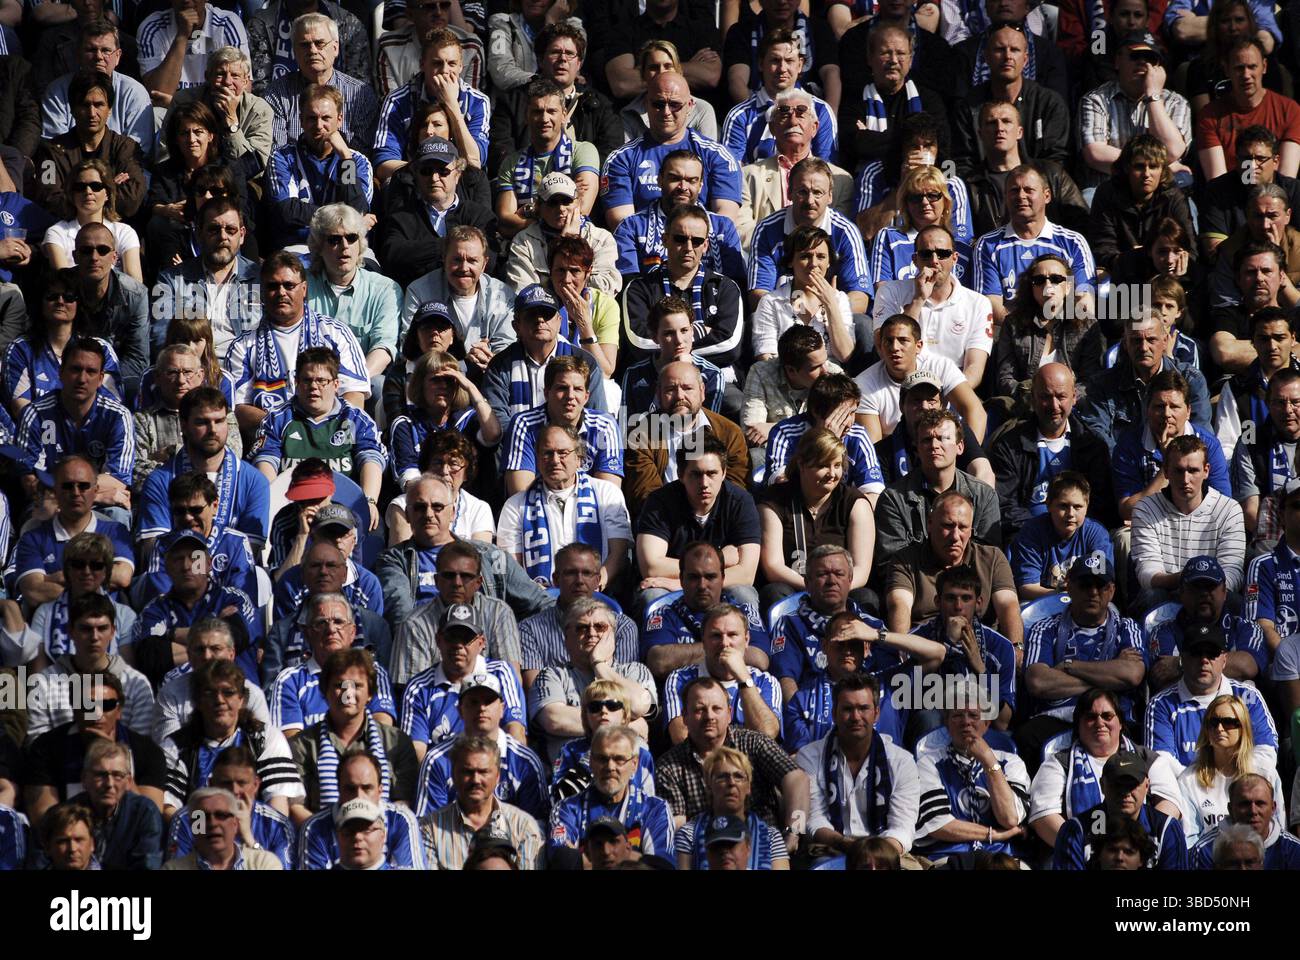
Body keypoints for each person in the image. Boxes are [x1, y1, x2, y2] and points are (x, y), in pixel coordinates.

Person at [380, 479, 546, 665]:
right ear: (408, 514)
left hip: (488, 655)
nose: (428, 514)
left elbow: (540, 604)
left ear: (452, 513)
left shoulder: (491, 557)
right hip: (426, 656)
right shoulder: (393, 561)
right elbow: (401, 617)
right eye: (419, 507)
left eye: (437, 506)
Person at [248, 346, 384, 529]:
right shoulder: (277, 419)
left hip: (346, 510)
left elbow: (371, 460)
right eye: (307, 380)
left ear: (336, 385)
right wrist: (272, 506)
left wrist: (369, 501)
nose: (313, 386)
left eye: (321, 381)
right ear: (296, 382)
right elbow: (266, 463)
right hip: (291, 509)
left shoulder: (356, 419)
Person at [1028, 688, 1183, 844]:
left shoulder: (1149, 760)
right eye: (1090, 717)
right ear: (1079, 724)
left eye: (1107, 716)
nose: (1099, 722)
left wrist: (1139, 847)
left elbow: (1170, 805)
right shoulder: (1059, 764)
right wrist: (1085, 849)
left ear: (1121, 723)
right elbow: (1044, 818)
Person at [621, 204, 744, 392]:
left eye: (696, 241)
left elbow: (729, 346)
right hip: (654, 381)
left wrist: (676, 349)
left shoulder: (726, 287)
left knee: (735, 404)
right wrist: (702, 331)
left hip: (713, 380)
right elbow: (639, 343)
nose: (688, 247)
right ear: (664, 240)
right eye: (680, 239)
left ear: (705, 245)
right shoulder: (639, 288)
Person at [797, 673, 920, 861]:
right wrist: (848, 845)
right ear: (834, 714)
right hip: (830, 848)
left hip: (886, 851)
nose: (855, 717)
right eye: (847, 709)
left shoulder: (902, 761)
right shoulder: (809, 756)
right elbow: (813, 820)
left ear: (876, 713)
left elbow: (902, 828)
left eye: (863, 708)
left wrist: (874, 855)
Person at [289, 648, 420, 822]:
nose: (347, 693)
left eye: (357, 685)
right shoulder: (302, 745)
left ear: (370, 694)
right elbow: (295, 806)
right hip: (323, 842)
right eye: (338, 685)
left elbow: (402, 804)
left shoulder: (397, 742)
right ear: (325, 691)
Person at [138, 387, 270, 558]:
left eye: (219, 421)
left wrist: (207, 571)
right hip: (176, 576)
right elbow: (153, 550)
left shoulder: (254, 481)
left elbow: (249, 551)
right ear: (183, 425)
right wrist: (197, 571)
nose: (213, 430)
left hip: (232, 576)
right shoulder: (160, 480)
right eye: (202, 422)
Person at [600, 71, 741, 230]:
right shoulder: (621, 159)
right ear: (646, 104)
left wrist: (683, 244)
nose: (666, 112)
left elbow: (724, 222)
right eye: (658, 104)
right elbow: (623, 225)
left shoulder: (718, 156)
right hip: (643, 252)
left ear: (690, 106)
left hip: (700, 248)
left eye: (674, 104)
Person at [15, 338, 135, 525]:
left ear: (101, 379)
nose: (82, 379)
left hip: (77, 501)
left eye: (91, 371)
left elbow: (118, 480)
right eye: (75, 369)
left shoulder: (118, 416)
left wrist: (62, 487)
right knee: (40, 514)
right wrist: (97, 496)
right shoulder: (36, 414)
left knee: (118, 515)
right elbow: (31, 482)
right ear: (61, 372)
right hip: (48, 503)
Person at [22, 673, 165, 829]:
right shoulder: (46, 748)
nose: (97, 714)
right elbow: (43, 818)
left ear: (119, 711)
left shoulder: (147, 751)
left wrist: (114, 757)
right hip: (69, 840)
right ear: (74, 709)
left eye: (107, 705)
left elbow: (152, 819)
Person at [162, 659, 303, 818]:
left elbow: (278, 806)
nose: (219, 700)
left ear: (242, 699)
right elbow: (169, 808)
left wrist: (251, 839)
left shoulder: (265, 738)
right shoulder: (177, 745)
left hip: (255, 835)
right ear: (198, 701)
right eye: (209, 692)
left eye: (228, 692)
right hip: (200, 832)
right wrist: (201, 836)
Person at [497, 424, 631, 589]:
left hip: (598, 596)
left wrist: (595, 586)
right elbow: (512, 568)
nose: (555, 460)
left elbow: (618, 554)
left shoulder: (606, 493)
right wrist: (536, 594)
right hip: (538, 600)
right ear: (537, 460)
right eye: (547, 453)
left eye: (563, 453)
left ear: (579, 459)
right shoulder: (515, 506)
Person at [884, 490, 1023, 645]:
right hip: (926, 649)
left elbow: (1008, 606)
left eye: (962, 527)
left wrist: (1016, 648)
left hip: (983, 647)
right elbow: (899, 605)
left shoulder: (993, 558)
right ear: (929, 523)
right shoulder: (904, 560)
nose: (955, 536)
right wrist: (903, 652)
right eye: (948, 526)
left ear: (971, 531)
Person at [126, 527, 261, 686]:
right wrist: (216, 633)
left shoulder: (234, 598)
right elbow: (150, 657)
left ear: (209, 564)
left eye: (195, 558)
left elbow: (236, 636)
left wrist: (170, 634)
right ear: (167, 567)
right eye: (178, 559)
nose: (186, 566)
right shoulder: (154, 610)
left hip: (236, 697)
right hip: (177, 703)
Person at [759, 429, 878, 606]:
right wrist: (813, 588)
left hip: (841, 591)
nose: (832, 474)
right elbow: (773, 566)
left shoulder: (855, 503)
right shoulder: (774, 502)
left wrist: (832, 589)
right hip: (794, 588)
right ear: (802, 464)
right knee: (775, 592)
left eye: (837, 465)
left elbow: (861, 569)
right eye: (823, 466)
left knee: (866, 598)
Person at [530, 598, 656, 764]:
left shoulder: (634, 671)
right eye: (582, 628)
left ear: (613, 635)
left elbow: (639, 705)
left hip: (627, 774)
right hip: (572, 774)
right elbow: (555, 719)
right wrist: (628, 724)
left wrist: (599, 664)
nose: (591, 633)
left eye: (600, 627)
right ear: (566, 638)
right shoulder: (551, 676)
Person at [1130, 436, 1246, 611]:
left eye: (1193, 470)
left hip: (1212, 594)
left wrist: (1201, 587)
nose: (1185, 479)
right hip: (1167, 592)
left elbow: (1233, 572)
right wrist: (1189, 579)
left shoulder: (1228, 509)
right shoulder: (1146, 509)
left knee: (1235, 602)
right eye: (1178, 470)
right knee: (1151, 596)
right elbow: (1148, 574)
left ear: (1206, 471)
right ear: (1166, 472)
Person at [971, 164, 1096, 327]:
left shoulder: (1073, 242)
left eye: (1029, 190)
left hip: (1064, 334)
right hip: (1012, 337)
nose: (1021, 196)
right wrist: (1029, 330)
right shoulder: (988, 245)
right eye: (1014, 191)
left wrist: (1052, 329)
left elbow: (1085, 300)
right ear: (1006, 197)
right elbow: (990, 305)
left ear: (1047, 196)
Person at [413, 672, 549, 820]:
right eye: (473, 702)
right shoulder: (437, 760)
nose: (482, 708)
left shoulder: (526, 762)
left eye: (489, 701)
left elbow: (537, 829)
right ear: (460, 710)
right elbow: (426, 826)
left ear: (502, 709)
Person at [1145, 619, 1277, 772]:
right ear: (1183, 659)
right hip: (1185, 793)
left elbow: (1266, 753)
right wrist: (1200, 785)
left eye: (1212, 653)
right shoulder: (1161, 704)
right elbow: (1162, 765)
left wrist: (1225, 782)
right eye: (1196, 653)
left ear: (1224, 660)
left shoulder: (1249, 696)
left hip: (1241, 788)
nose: (1204, 660)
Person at [399, 602, 526, 760]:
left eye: (466, 639)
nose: (458, 645)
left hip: (495, 773)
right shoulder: (419, 688)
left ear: (481, 643)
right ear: (438, 640)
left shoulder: (501, 673)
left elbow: (515, 732)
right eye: (451, 637)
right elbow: (415, 754)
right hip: (441, 776)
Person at [487, 21, 623, 167]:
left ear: (579, 64)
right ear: (540, 59)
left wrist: (582, 176)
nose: (563, 59)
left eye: (570, 54)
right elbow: (501, 152)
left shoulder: (600, 106)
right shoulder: (513, 102)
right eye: (555, 52)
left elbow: (611, 154)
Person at [371, 136, 497, 290]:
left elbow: (489, 262)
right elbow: (392, 258)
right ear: (416, 175)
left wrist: (421, 255)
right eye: (426, 171)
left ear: (457, 174)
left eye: (443, 171)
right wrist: (447, 246)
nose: (434, 178)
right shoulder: (401, 218)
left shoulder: (479, 215)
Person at [747, 157, 870, 315]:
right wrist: (800, 315)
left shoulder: (845, 232)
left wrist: (818, 315)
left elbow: (860, 298)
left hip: (830, 319)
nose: (810, 200)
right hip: (781, 319)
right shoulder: (767, 230)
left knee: (863, 325)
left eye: (818, 193)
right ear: (790, 192)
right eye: (802, 192)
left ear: (830, 196)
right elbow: (758, 296)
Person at [25, 593, 153, 744]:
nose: (94, 637)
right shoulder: (42, 684)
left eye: (102, 628)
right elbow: (37, 746)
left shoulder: (136, 684)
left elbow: (141, 748)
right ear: (71, 631)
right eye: (86, 629)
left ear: (113, 632)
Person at [914, 695, 1031, 861]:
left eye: (974, 715)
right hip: (949, 857)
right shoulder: (928, 764)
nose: (966, 721)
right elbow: (939, 825)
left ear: (987, 724)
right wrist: (994, 835)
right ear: (946, 724)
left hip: (1003, 857)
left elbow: (1009, 818)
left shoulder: (1010, 762)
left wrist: (988, 761)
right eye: (957, 715)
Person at [268, 591, 397, 738]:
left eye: (338, 622)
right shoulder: (289, 680)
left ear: (352, 632)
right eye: (321, 623)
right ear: (308, 633)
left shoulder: (374, 673)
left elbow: (383, 732)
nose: (331, 629)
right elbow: (292, 744)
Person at [624, 361, 748, 513]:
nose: (679, 396)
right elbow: (644, 494)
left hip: (716, 523)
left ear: (702, 392)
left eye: (688, 388)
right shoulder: (640, 433)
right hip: (661, 522)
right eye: (670, 389)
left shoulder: (729, 433)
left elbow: (735, 492)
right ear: (658, 395)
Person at [875, 409, 1000, 559]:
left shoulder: (983, 495)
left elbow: (988, 558)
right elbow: (892, 563)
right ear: (917, 447)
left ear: (960, 447)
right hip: (914, 581)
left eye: (943, 438)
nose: (934, 445)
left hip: (969, 581)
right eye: (926, 439)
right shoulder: (893, 500)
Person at [1077, 33, 1193, 194]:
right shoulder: (1096, 99)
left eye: (1150, 58)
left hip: (1160, 192)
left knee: (1188, 210)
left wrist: (1153, 95)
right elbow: (1095, 153)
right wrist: (1163, 164)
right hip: (1108, 190)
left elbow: (1172, 150)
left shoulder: (1176, 102)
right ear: (1118, 61)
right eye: (1136, 56)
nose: (1143, 62)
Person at [1111, 370, 1231, 525]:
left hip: (1197, 525)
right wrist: (1168, 464)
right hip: (1148, 526)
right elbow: (1127, 511)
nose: (1166, 414)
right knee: (1123, 539)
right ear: (1148, 410)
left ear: (1188, 411)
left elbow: (1223, 505)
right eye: (1159, 406)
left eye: (1174, 407)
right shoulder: (1129, 445)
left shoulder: (1208, 445)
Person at [480, 284, 608, 428]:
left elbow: (597, 421)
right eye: (531, 315)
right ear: (516, 326)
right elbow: (497, 423)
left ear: (559, 321)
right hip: (517, 447)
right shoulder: (500, 365)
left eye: (547, 313)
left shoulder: (585, 362)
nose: (540, 319)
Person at [949, 25, 1071, 176]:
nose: (1008, 56)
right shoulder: (969, 106)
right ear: (986, 57)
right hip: (983, 191)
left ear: (1025, 59)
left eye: (1015, 50)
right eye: (1000, 50)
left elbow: (1055, 161)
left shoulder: (1048, 103)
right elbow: (962, 162)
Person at [1078, 315, 1211, 451]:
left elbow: (1202, 438)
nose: (1143, 347)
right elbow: (1099, 438)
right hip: (1121, 467)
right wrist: (1127, 465)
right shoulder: (1103, 384)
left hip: (1179, 466)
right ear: (1125, 343)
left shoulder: (1190, 380)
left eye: (1151, 339)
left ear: (1165, 341)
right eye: (1136, 340)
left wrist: (1171, 461)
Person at [13, 454, 132, 606]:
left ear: (95, 491)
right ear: (55, 491)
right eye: (67, 486)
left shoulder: (115, 531)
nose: (76, 493)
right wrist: (94, 583)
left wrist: (58, 578)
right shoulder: (33, 537)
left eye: (83, 486)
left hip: (105, 625)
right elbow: (34, 591)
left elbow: (122, 576)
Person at [265, 86, 374, 250]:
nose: (318, 125)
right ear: (301, 120)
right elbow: (286, 211)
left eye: (326, 118)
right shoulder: (281, 158)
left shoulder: (357, 161)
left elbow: (357, 210)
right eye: (311, 118)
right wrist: (342, 215)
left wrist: (345, 157)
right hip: (297, 246)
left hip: (345, 248)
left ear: (339, 119)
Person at [616, 150, 747, 285]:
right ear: (659, 180)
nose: (683, 187)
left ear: (701, 185)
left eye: (692, 181)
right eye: (675, 179)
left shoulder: (722, 227)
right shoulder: (631, 227)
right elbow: (629, 286)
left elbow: (735, 285)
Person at [373, 27, 491, 179]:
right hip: (414, 183)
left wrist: (452, 105)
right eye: (437, 63)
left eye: (452, 64)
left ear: (461, 66)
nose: (445, 70)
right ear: (422, 64)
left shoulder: (478, 102)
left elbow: (474, 163)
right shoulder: (397, 101)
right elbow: (383, 163)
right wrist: (428, 171)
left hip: (462, 185)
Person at [961, 100, 1089, 239]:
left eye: (1006, 121)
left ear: (1019, 132)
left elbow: (1081, 223)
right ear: (980, 134)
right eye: (991, 123)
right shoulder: (968, 185)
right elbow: (964, 237)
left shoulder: (1052, 174)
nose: (999, 128)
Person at [31, 71, 146, 223]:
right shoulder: (50, 152)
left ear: (109, 109)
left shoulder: (127, 148)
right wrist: (109, 188)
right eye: (85, 105)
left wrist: (74, 192)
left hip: (116, 232)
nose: (92, 113)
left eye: (99, 105)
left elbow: (132, 199)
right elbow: (48, 198)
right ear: (72, 109)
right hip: (67, 234)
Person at [500, 354, 621, 497]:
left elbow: (608, 497)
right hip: (538, 512)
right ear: (546, 393)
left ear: (586, 397)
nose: (570, 396)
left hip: (590, 515)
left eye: (577, 389)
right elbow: (521, 496)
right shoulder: (525, 425)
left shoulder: (605, 426)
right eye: (562, 388)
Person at [548, 724, 674, 860]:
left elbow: (660, 865)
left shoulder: (655, 809)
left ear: (634, 764)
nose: (610, 767)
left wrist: (586, 862)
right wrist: (633, 860)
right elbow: (562, 860)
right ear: (590, 763)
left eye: (619, 759)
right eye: (602, 759)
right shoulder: (566, 809)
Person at [419, 734, 545, 869]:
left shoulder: (523, 827)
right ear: (454, 775)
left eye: (484, 772)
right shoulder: (429, 829)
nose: (476, 780)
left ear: (497, 777)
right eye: (467, 772)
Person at [494, 78, 600, 239]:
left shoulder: (583, 151)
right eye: (537, 112)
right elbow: (505, 218)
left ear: (564, 115)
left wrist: (531, 211)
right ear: (526, 116)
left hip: (573, 242)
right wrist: (553, 213)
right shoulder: (511, 163)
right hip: (527, 246)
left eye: (551, 111)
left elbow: (582, 208)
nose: (544, 119)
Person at [854, 316, 987, 444]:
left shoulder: (941, 367)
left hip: (942, 446)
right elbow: (875, 446)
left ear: (919, 346)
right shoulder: (864, 385)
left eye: (903, 340)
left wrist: (966, 458)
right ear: (880, 347)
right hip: (896, 452)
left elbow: (975, 411)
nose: (894, 347)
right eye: (888, 341)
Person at [836, 22, 946, 174]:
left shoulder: (929, 100)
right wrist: (911, 142)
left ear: (911, 59)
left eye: (900, 53)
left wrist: (871, 138)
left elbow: (944, 149)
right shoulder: (855, 100)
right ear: (869, 58)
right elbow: (854, 145)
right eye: (885, 53)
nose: (893, 60)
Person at [164, 744, 296, 869]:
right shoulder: (193, 817)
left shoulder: (276, 824)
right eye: (226, 783)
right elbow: (179, 866)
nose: (234, 790)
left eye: (242, 783)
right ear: (211, 783)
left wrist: (248, 838)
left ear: (255, 785)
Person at [1178, 694, 1286, 844]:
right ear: (1206, 730)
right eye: (1213, 722)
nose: (1219, 728)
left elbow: (1277, 832)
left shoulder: (1265, 773)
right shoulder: (1189, 780)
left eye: (1228, 722)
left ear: (1243, 728)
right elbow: (1190, 841)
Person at [1147, 557, 1268, 691]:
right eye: (1196, 587)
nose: (1204, 594)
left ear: (1224, 592)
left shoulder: (1246, 628)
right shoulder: (1163, 631)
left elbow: (1247, 666)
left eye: (1210, 587)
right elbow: (1164, 677)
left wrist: (1179, 664)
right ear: (1181, 593)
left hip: (1235, 708)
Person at [1089, 136, 1197, 286]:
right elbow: (1103, 251)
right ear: (1127, 167)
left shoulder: (1173, 197)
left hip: (1167, 275)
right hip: (1122, 276)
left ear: (1162, 170)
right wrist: (1141, 256)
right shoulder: (1108, 194)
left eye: (1153, 166)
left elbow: (1190, 250)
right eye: (1139, 166)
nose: (1147, 174)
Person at [1052, 751, 1188, 869]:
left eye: (1132, 785)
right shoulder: (1076, 831)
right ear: (1103, 785)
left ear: (1147, 786)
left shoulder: (1166, 829)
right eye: (1118, 785)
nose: (1125, 792)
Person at [262, 13, 376, 151]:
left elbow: (361, 157)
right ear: (294, 51)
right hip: (292, 171)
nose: (312, 50)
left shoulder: (361, 95)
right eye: (304, 45)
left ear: (335, 48)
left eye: (319, 43)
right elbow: (277, 155)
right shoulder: (277, 94)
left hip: (345, 171)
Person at [721, 30, 836, 166]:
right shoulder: (739, 116)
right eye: (775, 60)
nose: (782, 68)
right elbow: (731, 173)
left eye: (789, 60)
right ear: (760, 63)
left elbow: (826, 169)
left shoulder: (820, 110)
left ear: (800, 65)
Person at [41, 18, 154, 156]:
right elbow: (54, 147)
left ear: (118, 56)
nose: (98, 57)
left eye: (106, 50)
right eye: (91, 50)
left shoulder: (134, 92)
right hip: (70, 171)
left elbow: (139, 151)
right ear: (78, 54)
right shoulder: (56, 92)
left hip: (121, 171)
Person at [297, 750, 424, 869]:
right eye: (350, 788)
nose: (359, 796)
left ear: (380, 791)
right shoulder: (314, 828)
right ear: (339, 790)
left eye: (367, 788)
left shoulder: (401, 820)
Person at [1195, 38, 1300, 181]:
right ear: (1226, 69)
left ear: (1264, 67)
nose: (1246, 75)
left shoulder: (1290, 111)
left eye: (1252, 67)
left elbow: (1287, 180)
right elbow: (1218, 184)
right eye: (1239, 68)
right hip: (1230, 198)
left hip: (1276, 198)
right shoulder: (1210, 116)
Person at [752, 226, 857, 368]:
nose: (813, 264)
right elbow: (766, 356)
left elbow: (845, 354)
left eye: (821, 257)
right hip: (785, 381)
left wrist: (830, 304)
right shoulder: (771, 302)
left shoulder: (839, 300)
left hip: (828, 384)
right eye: (805, 256)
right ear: (790, 261)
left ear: (829, 262)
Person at [152, 619, 271, 744]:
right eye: (200, 649)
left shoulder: (253, 694)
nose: (207, 656)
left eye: (215, 649)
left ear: (231, 654)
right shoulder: (171, 695)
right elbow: (169, 750)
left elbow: (263, 744)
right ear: (189, 655)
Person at [1011, 472, 1116, 600]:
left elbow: (1102, 584)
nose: (1070, 514)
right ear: (1049, 505)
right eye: (1063, 506)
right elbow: (1027, 588)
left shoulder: (1096, 534)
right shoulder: (1031, 533)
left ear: (1087, 506)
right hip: (1042, 604)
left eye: (1077, 507)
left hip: (1086, 603)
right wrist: (1062, 594)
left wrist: (1075, 594)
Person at [1200, 126, 1300, 259]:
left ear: (1276, 161)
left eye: (1260, 158)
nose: (1252, 166)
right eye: (1246, 158)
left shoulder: (1295, 191)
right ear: (1236, 160)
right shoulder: (1218, 191)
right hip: (1233, 272)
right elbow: (1213, 251)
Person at [42, 159, 142, 282]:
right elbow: (65, 280)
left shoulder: (125, 232)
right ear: (72, 194)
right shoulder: (57, 232)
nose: (88, 192)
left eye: (96, 186)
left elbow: (135, 284)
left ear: (107, 193)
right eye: (80, 187)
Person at [1190, 772, 1300, 868]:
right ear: (1230, 809)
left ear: (1273, 808)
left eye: (1260, 803)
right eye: (1244, 804)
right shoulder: (1205, 851)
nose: (1253, 811)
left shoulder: (1294, 850)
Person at [162, 788, 283, 870]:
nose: (213, 823)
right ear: (193, 826)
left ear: (235, 823)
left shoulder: (264, 864)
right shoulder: (173, 868)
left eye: (221, 815)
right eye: (202, 817)